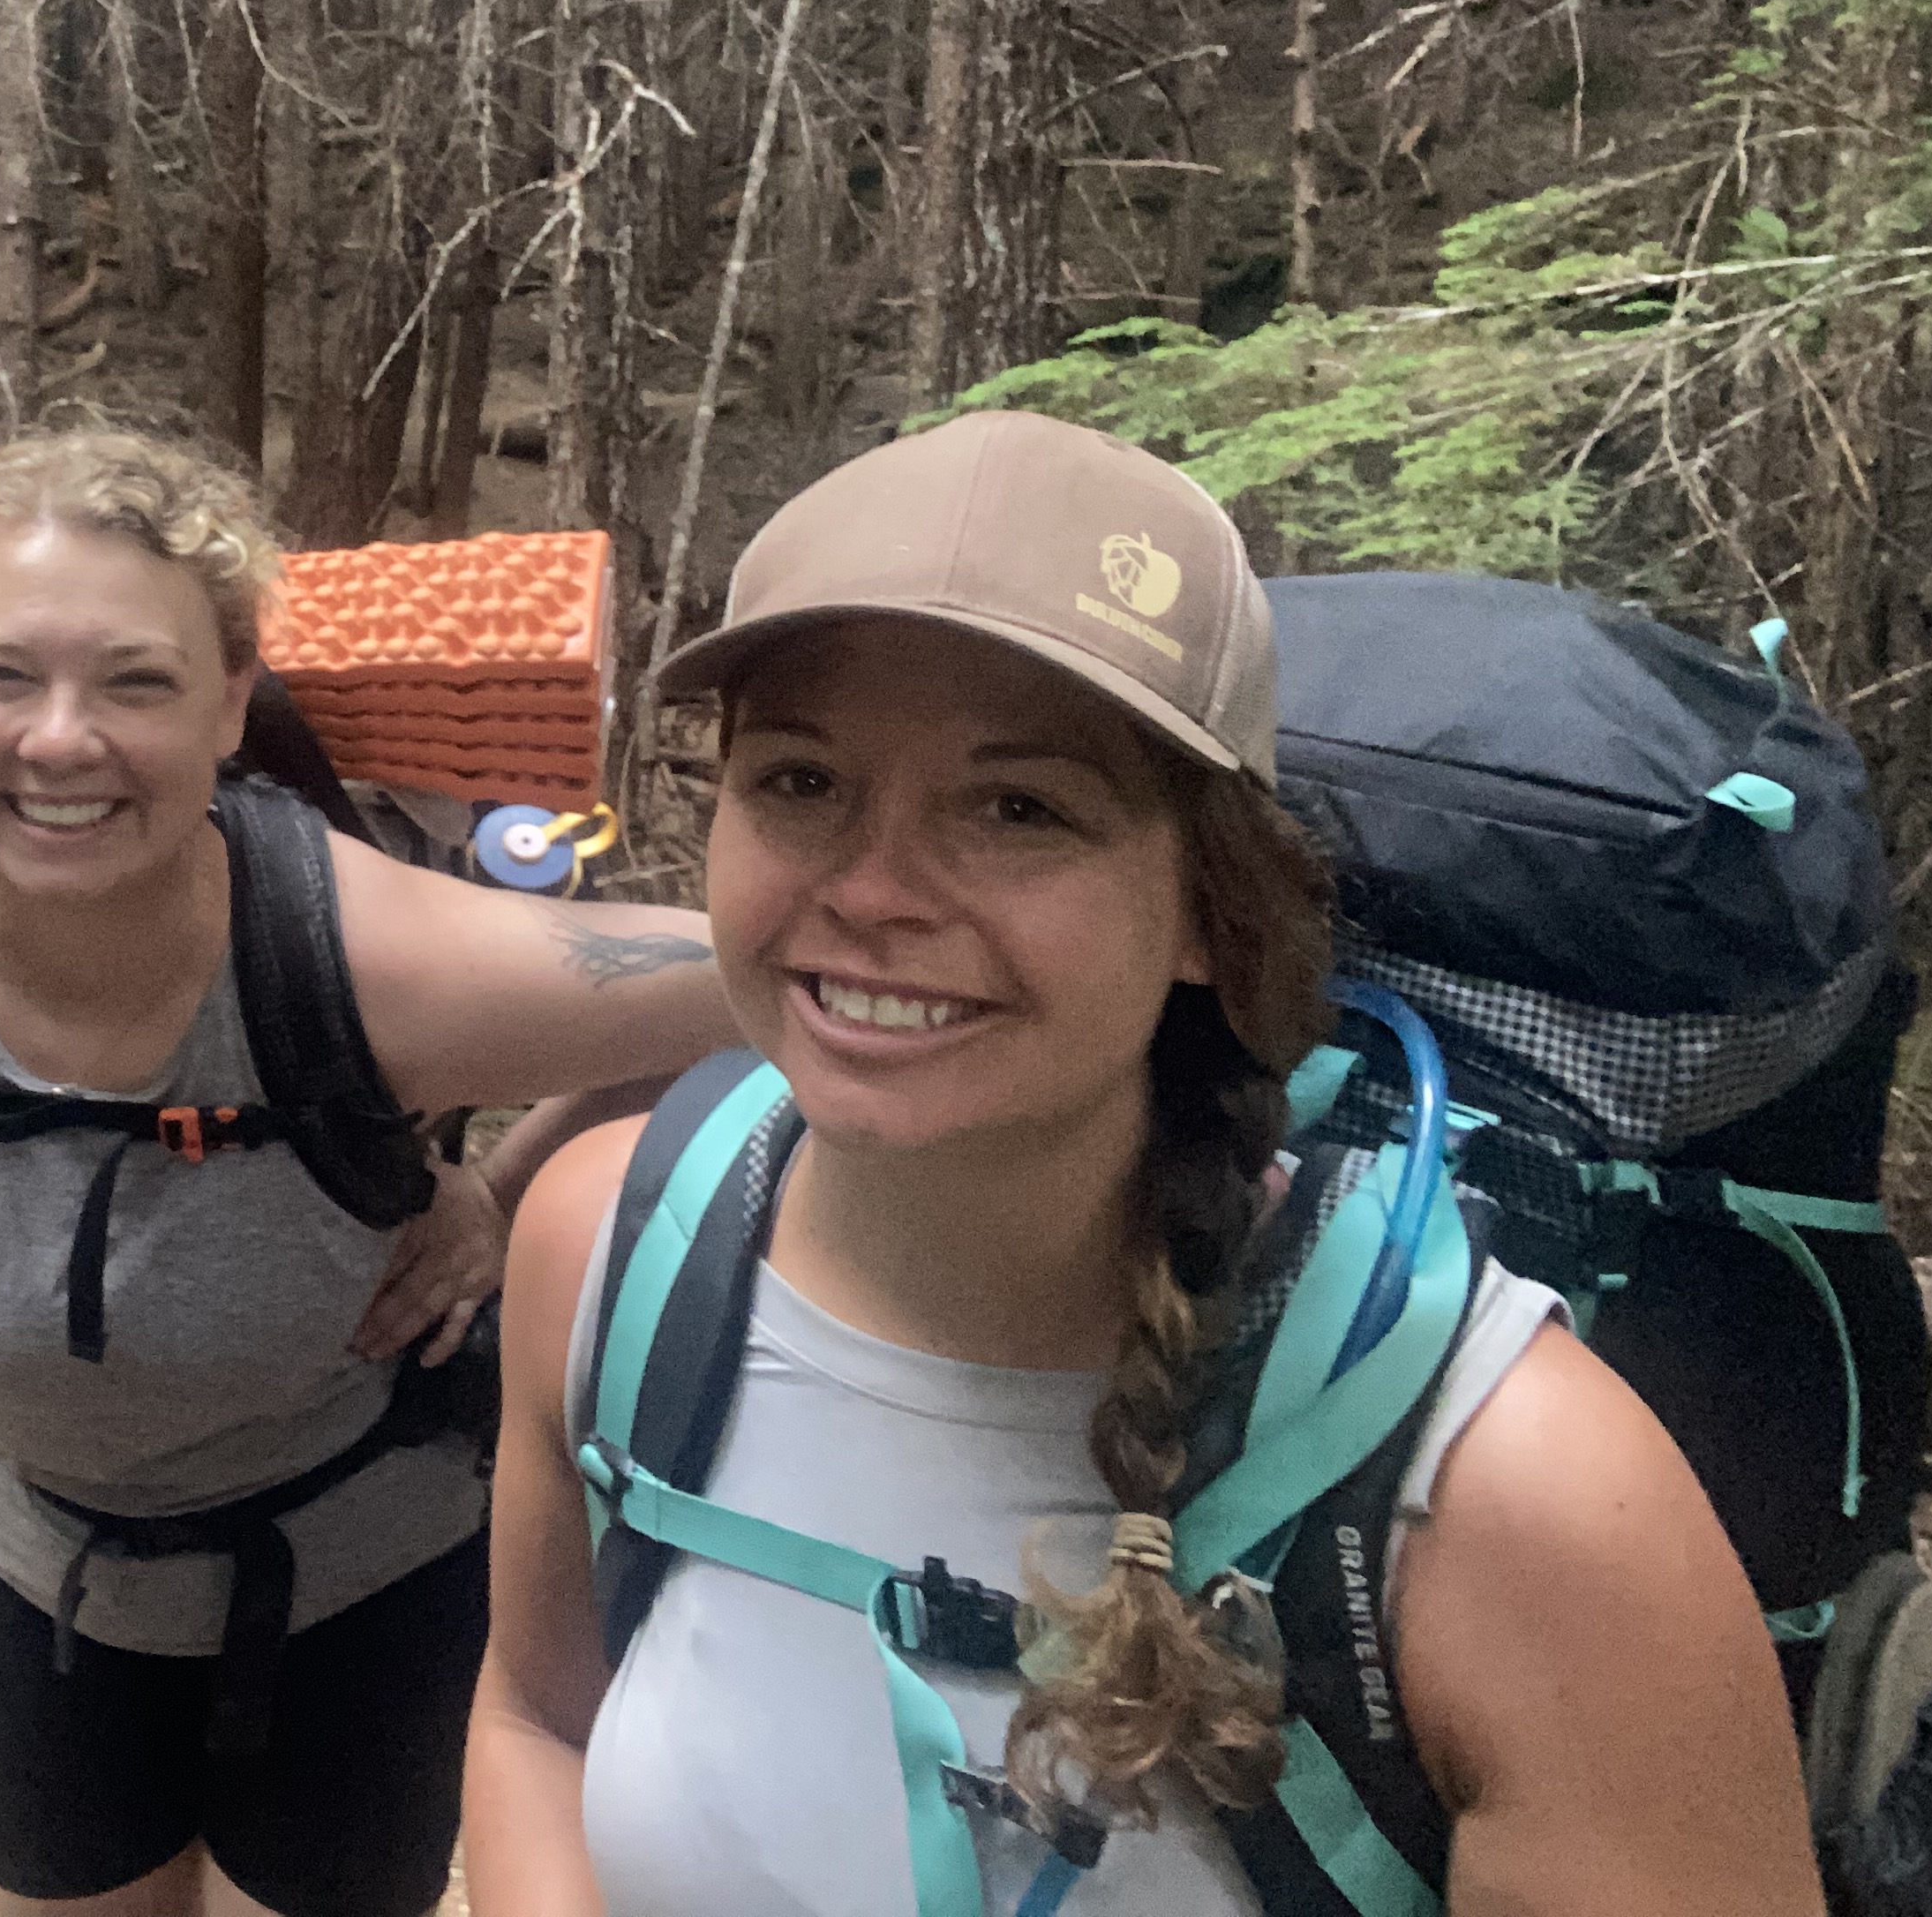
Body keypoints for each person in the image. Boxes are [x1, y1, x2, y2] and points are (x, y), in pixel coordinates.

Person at [464, 411, 1829, 1917]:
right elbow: (539, 1725)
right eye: (799, 781)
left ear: (1205, 912)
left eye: (1019, 808)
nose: (869, 890)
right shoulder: (611, 1251)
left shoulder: (1518, 1502)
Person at [0, 428, 740, 1917]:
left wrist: (504, 1189)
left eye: (136, 682)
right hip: (26, 1558)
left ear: (234, 702)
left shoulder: (368, 966)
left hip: (356, 1569)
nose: (58, 738)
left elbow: (754, 978)